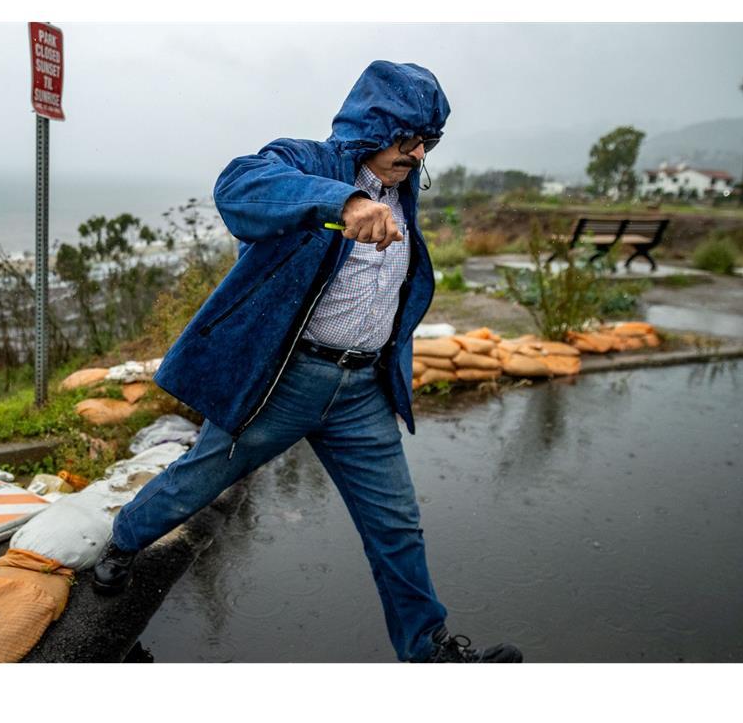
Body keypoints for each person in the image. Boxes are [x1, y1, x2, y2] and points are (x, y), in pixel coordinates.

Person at [92, 60, 523, 663]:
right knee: (198, 479)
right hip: (286, 383)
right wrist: (340, 201)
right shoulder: (308, 162)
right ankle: (122, 542)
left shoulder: (401, 190)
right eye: (408, 137)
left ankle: (429, 653)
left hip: (361, 392)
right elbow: (238, 186)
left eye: (429, 141)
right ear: (375, 125)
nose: (419, 152)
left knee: (397, 526)